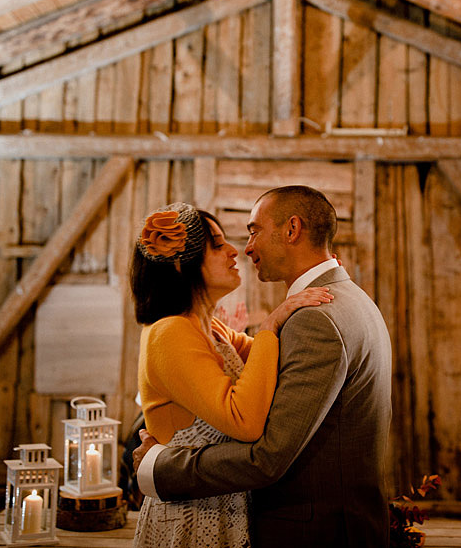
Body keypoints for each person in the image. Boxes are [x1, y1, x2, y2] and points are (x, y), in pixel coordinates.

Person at [134, 186, 393, 548]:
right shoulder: (346, 299)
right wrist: (272, 324)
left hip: (312, 526)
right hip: (197, 514)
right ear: (182, 263)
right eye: (219, 243)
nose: (243, 248)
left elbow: (266, 453)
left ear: (291, 230)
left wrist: (157, 465)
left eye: (253, 230)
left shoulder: (313, 318)